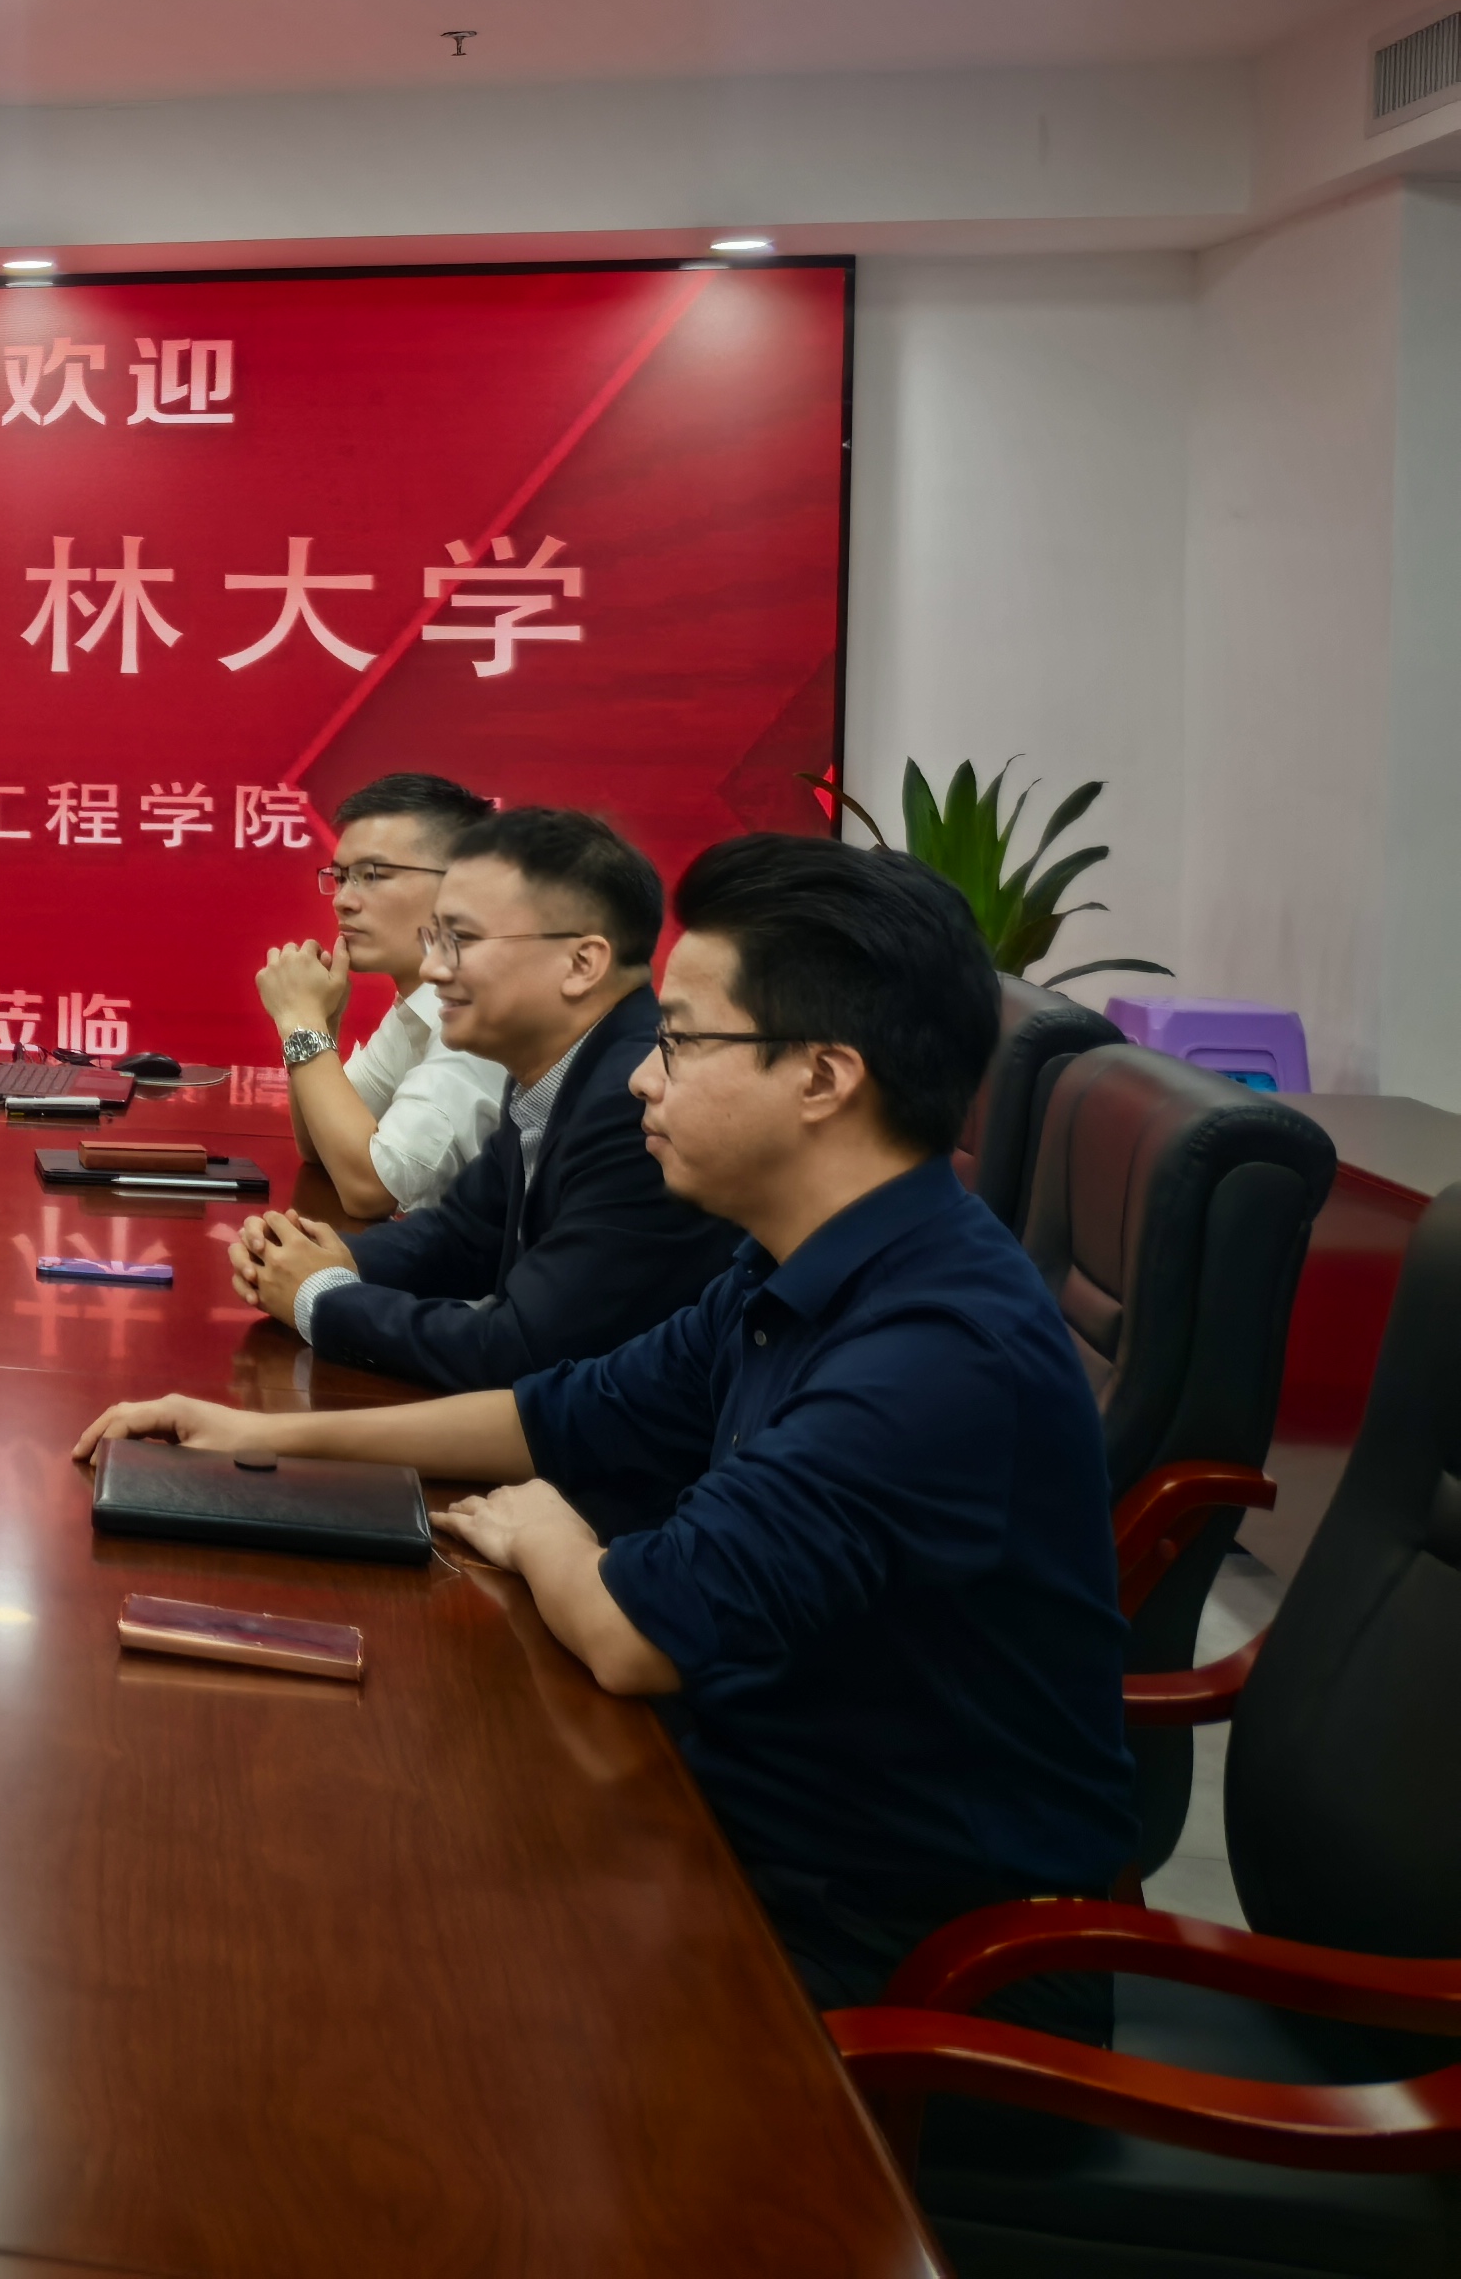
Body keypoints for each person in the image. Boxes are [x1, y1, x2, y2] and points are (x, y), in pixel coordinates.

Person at [81, 836, 1132, 2014]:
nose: (641, 1078)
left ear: (823, 1078)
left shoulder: (930, 1354)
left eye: (680, 1041)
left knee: (344, 1944)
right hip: (739, 1817)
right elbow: (556, 1413)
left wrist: (547, 1538)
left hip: (883, 1954)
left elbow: (635, 1631)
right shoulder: (799, 1259)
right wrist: (252, 1438)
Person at [224, 807, 739, 1387]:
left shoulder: (635, 1102)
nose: (433, 968)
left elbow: (521, 1351)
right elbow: (466, 1236)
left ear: (581, 963)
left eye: (461, 941)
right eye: (436, 939)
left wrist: (318, 1296)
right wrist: (327, 1256)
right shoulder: (550, 1066)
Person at [253, 771, 508, 1220]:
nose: (342, 901)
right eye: (340, 877)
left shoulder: (483, 1016)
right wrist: (322, 1022)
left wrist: (300, 1020)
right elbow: (321, 1148)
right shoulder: (423, 1004)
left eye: (370, 876)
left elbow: (370, 1188)